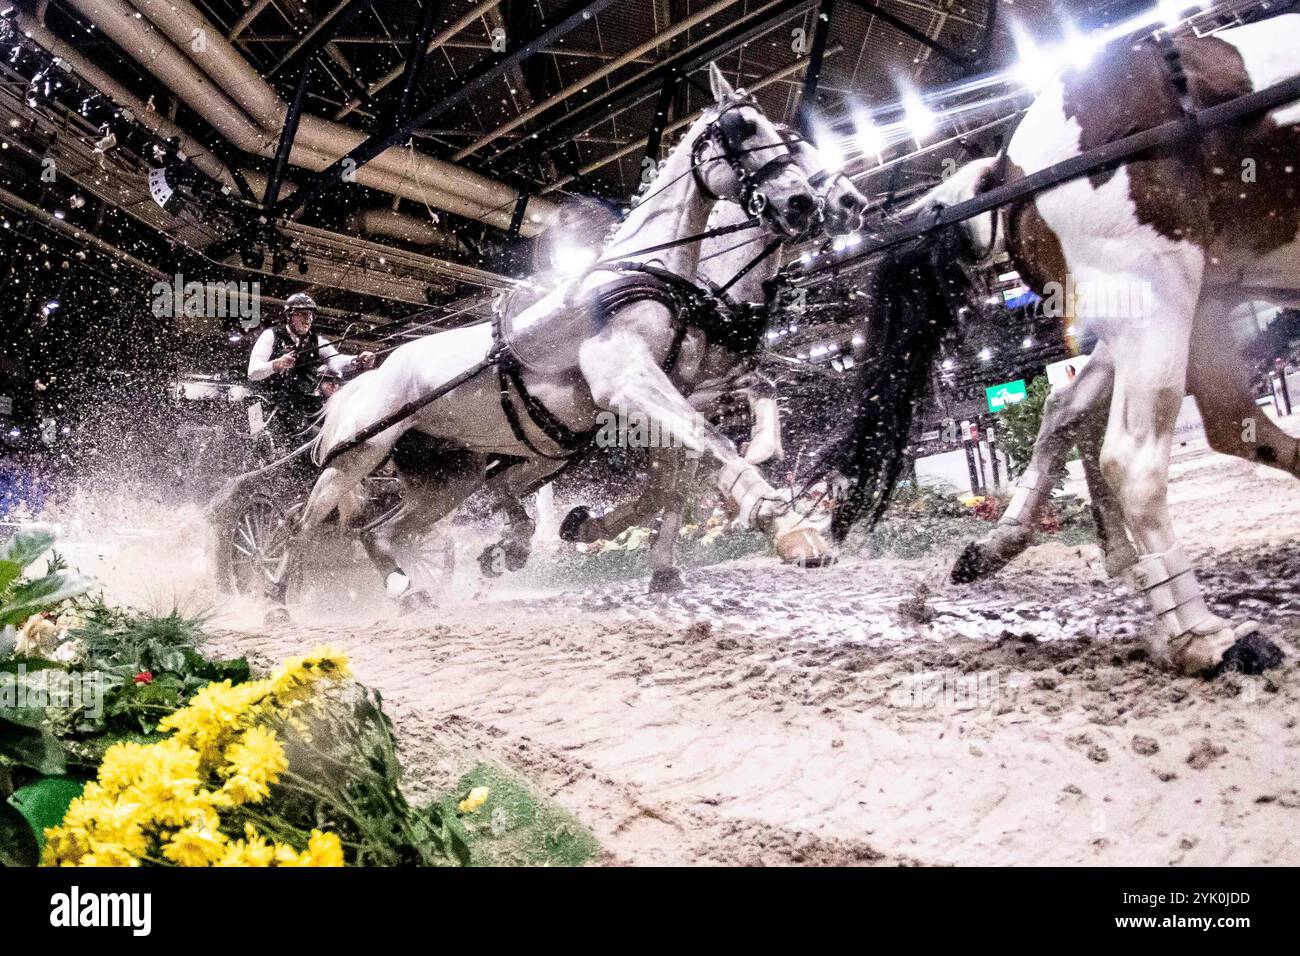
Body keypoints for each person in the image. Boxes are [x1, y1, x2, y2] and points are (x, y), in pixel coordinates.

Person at [247, 292, 374, 447]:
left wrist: (356, 359)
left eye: (310, 315)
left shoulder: (316, 341)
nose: (307, 319)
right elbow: (252, 372)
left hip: (302, 401)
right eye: (302, 314)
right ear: (289, 316)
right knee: (262, 443)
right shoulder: (271, 335)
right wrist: (277, 364)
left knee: (339, 422)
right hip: (268, 401)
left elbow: (336, 360)